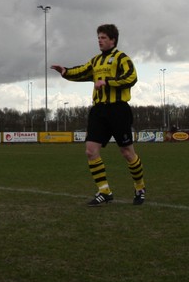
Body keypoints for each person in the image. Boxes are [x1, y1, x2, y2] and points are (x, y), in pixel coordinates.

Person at [51, 23, 147, 206]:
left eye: (103, 38)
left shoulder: (122, 58)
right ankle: (104, 191)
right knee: (90, 151)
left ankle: (140, 187)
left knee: (127, 153)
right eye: (98, 38)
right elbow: (81, 71)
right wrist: (65, 71)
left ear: (113, 40)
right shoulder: (95, 61)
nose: (100, 41)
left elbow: (131, 77)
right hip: (99, 111)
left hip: (118, 110)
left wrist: (107, 82)